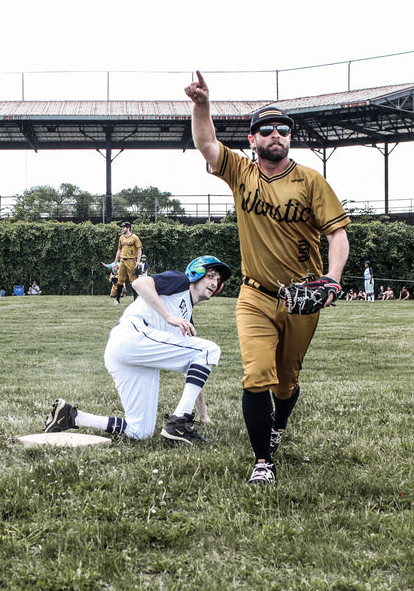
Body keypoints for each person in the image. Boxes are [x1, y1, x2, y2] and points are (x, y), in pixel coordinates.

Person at [185, 71, 350, 486]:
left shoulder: (311, 180)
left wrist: (331, 278)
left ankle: (279, 425)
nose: (276, 134)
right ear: (253, 139)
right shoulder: (241, 172)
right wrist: (202, 106)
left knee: (286, 381)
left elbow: (337, 233)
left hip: (301, 297)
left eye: (283, 130)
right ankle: (263, 461)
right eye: (266, 130)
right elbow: (206, 143)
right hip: (255, 294)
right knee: (257, 375)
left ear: (289, 138)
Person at [43, 256, 231, 444]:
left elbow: (196, 366)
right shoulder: (180, 281)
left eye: (218, 280)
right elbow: (140, 283)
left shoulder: (186, 320)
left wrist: (203, 414)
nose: (215, 283)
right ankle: (179, 423)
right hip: (132, 334)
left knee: (140, 431)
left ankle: (71, 416)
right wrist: (168, 317)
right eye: (210, 275)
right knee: (210, 350)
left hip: (132, 353)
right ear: (195, 273)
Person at [111, 221, 143, 304]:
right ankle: (117, 300)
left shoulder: (135, 237)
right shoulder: (121, 238)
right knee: (120, 280)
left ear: (128, 228)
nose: (122, 229)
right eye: (122, 227)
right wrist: (115, 262)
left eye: (124, 227)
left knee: (133, 280)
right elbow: (119, 250)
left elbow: (139, 250)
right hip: (122, 260)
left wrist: (138, 262)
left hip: (131, 260)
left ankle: (136, 300)